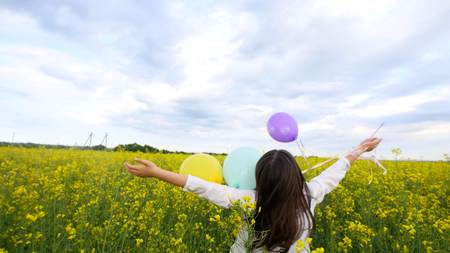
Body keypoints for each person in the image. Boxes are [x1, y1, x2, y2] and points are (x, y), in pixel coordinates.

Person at [124, 137, 382, 252]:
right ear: (296, 175)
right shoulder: (310, 194)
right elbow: (335, 172)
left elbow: (202, 186)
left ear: (259, 178)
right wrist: (359, 149)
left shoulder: (249, 200)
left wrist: (157, 172)